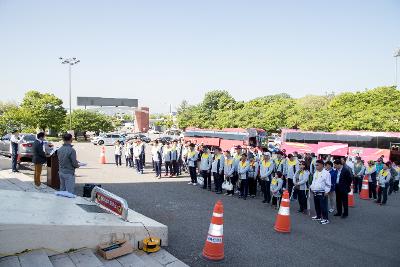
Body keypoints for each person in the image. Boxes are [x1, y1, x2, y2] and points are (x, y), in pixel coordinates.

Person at [310, 159, 331, 225]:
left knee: (323, 206)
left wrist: (326, 191)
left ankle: (325, 219)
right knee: (317, 205)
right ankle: (318, 216)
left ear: (322, 165)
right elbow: (313, 182)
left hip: (322, 192)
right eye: (315, 165)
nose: (316, 166)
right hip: (315, 191)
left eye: (317, 165)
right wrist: (311, 188)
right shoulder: (315, 172)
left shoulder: (326, 173)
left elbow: (328, 184)